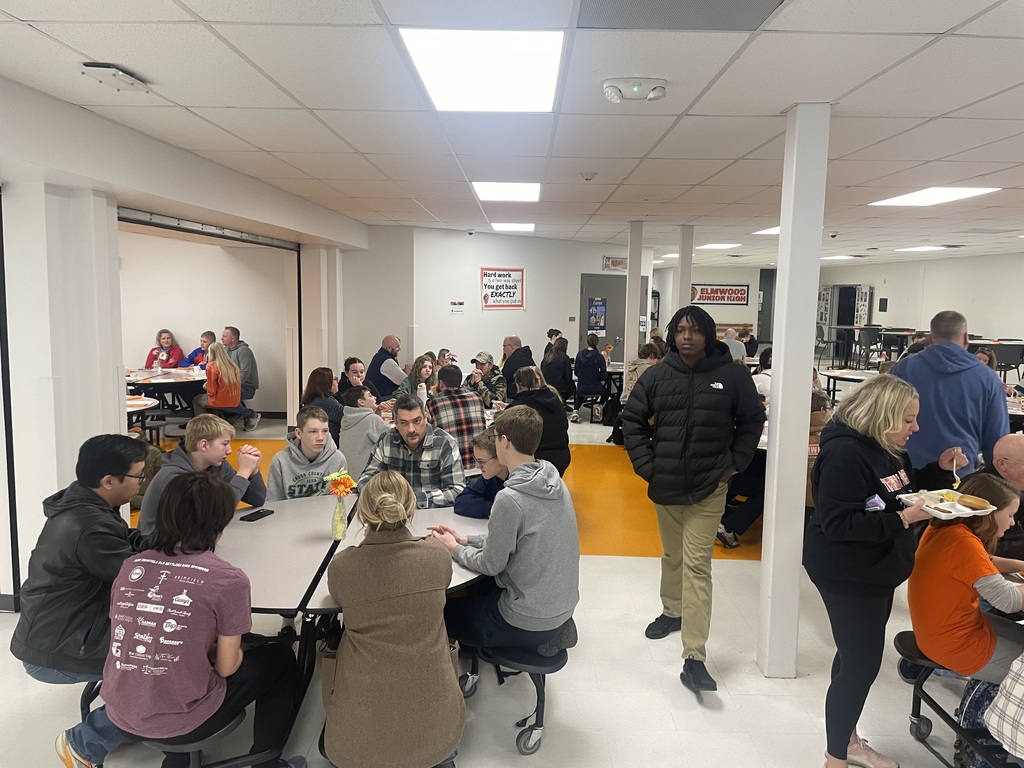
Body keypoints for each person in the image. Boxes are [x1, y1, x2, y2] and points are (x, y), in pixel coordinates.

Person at [804, 374, 967, 768]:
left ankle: (846, 740)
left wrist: (939, 471)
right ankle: (836, 757)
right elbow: (839, 523)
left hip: (876, 567)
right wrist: (903, 519)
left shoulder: (886, 447)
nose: (916, 428)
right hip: (846, 570)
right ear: (880, 416)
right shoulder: (844, 455)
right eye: (908, 420)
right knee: (861, 665)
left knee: (852, 658)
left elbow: (900, 491)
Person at [102, 473, 305, 768]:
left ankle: (178, 759)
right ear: (221, 521)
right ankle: (268, 762)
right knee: (281, 658)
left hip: (118, 713)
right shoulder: (228, 579)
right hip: (184, 720)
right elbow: (226, 667)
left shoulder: (132, 565)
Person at [621, 305, 765, 693]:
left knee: (697, 565)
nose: (687, 337)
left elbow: (752, 420)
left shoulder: (733, 376)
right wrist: (647, 466)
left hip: (710, 486)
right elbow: (631, 421)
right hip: (665, 485)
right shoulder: (656, 376)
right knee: (673, 555)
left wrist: (734, 463)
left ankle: (694, 657)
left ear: (708, 335)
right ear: (672, 335)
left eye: (695, 330)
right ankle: (672, 611)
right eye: (681, 330)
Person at [11, 435, 149, 768]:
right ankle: (86, 742)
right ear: (109, 480)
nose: (142, 483)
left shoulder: (88, 504)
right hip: (60, 647)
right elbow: (137, 578)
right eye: (139, 475)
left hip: (64, 630)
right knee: (165, 657)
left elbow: (125, 544)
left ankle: (126, 715)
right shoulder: (88, 524)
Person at [323, 471, 464, 768]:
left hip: (356, 740)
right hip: (438, 732)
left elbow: (339, 595)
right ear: (410, 509)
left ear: (362, 515)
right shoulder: (437, 557)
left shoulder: (343, 567)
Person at [430, 407, 580, 652]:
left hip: (525, 618)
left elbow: (491, 565)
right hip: (562, 607)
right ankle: (554, 631)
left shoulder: (510, 498)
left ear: (505, 442)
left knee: (444, 612)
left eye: (496, 436)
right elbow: (518, 539)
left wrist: (453, 549)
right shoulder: (553, 480)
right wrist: (466, 539)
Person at [908, 473, 1024, 685]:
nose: (1012, 522)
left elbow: (983, 562)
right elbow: (1008, 601)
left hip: (941, 631)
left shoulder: (946, 529)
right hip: (952, 642)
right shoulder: (963, 542)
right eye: (1010, 515)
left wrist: (1019, 565)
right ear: (989, 513)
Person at [891, 310, 1008, 473]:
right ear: (966, 338)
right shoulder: (988, 378)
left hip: (906, 473)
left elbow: (882, 421)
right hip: (959, 476)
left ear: (929, 339)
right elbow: (998, 444)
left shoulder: (903, 369)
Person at [139, 414, 266, 536]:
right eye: (224, 444)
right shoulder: (173, 476)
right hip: (158, 546)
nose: (230, 450)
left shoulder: (217, 466)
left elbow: (257, 499)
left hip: (190, 539)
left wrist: (252, 471)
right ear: (204, 445)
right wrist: (243, 473)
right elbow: (215, 514)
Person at [359, 396, 466, 508]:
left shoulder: (445, 443)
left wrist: (411, 500)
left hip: (431, 515)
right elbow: (366, 479)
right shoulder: (386, 440)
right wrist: (383, 500)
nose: (411, 429)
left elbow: (457, 490)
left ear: (425, 418)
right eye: (404, 423)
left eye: (416, 421)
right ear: (395, 422)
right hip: (392, 513)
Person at [499, 366, 571, 476]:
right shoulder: (553, 397)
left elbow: (498, 427)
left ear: (518, 385)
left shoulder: (521, 404)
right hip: (562, 456)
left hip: (537, 460)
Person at [267, 405, 347, 501]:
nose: (320, 438)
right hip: (291, 515)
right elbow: (273, 502)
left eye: (325, 431)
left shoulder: (338, 459)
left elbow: (341, 501)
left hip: (326, 514)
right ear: (299, 433)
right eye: (313, 431)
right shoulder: (280, 461)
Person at [427, 364, 486, 470]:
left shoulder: (433, 403)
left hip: (451, 469)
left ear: (440, 383)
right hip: (478, 467)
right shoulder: (477, 397)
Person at [454, 427, 509, 519]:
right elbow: (461, 502)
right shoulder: (491, 479)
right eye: (476, 460)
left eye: (482, 461)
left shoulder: (520, 482)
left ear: (500, 456)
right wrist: (495, 508)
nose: (477, 466)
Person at [338, 386, 389, 481]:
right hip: (367, 478)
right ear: (361, 402)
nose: (375, 397)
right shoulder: (371, 419)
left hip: (348, 477)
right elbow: (390, 439)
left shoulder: (346, 419)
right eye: (370, 395)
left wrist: (377, 412)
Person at [221, 325, 261, 431]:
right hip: (230, 384)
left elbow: (245, 373)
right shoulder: (225, 350)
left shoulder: (243, 351)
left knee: (225, 398)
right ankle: (233, 417)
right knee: (216, 397)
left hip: (246, 385)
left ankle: (251, 415)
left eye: (224, 336)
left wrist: (231, 386)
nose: (221, 338)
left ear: (233, 338)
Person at [192, 341, 241, 417]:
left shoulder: (211, 366)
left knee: (197, 400)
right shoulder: (232, 365)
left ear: (210, 353)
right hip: (234, 400)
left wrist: (206, 386)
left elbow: (211, 391)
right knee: (207, 400)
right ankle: (216, 422)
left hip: (220, 401)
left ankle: (204, 425)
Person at [300, 366, 345, 444]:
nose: (338, 382)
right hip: (329, 446)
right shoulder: (327, 403)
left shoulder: (313, 400)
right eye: (335, 379)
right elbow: (349, 419)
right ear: (326, 382)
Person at [571, 333, 607, 424]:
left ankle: (575, 411)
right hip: (596, 388)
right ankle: (599, 406)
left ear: (587, 342)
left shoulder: (580, 354)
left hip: (582, 388)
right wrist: (599, 378)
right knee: (607, 391)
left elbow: (576, 372)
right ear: (597, 343)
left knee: (579, 395)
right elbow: (604, 375)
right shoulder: (599, 356)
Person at [367, 335, 408, 400]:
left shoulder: (379, 356)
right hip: (383, 397)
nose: (399, 349)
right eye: (397, 347)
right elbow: (404, 381)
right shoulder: (387, 361)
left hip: (377, 395)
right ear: (389, 348)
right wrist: (408, 373)